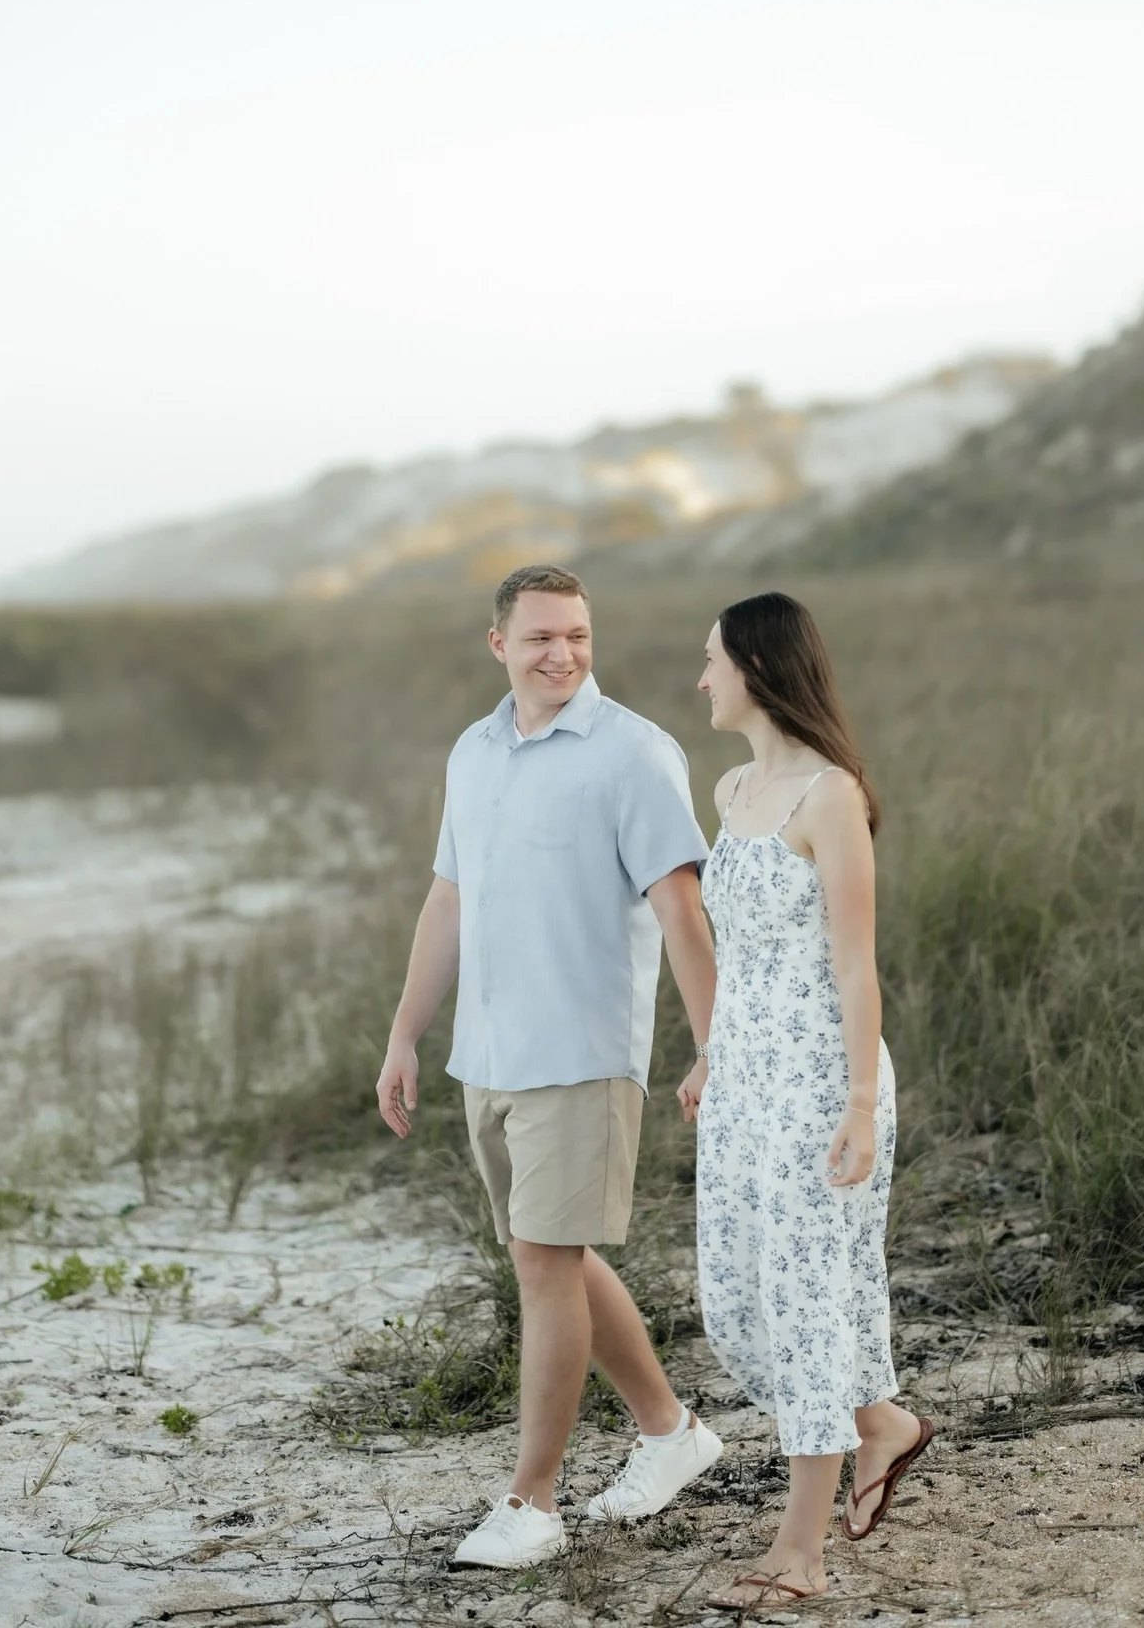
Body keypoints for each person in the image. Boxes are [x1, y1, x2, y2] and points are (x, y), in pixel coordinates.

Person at [376, 563, 724, 1570]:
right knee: (555, 1257)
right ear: (499, 645)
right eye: (539, 638)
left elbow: (679, 910)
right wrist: (406, 1033)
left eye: (576, 634)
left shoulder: (633, 754)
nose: (562, 654)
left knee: (542, 1263)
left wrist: (715, 1044)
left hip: (581, 1053)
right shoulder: (474, 754)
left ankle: (531, 1504)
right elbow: (448, 900)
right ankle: (672, 1433)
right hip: (487, 1054)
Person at [679, 591, 933, 1613]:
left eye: (710, 661)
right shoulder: (733, 786)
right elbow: (740, 955)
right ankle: (882, 1423)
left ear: (753, 665)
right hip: (744, 1079)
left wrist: (862, 1106)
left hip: (823, 1086)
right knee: (736, 1302)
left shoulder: (832, 797)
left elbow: (856, 967)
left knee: (805, 1307)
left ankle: (800, 1550)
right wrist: (710, 1055)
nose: (700, 680)